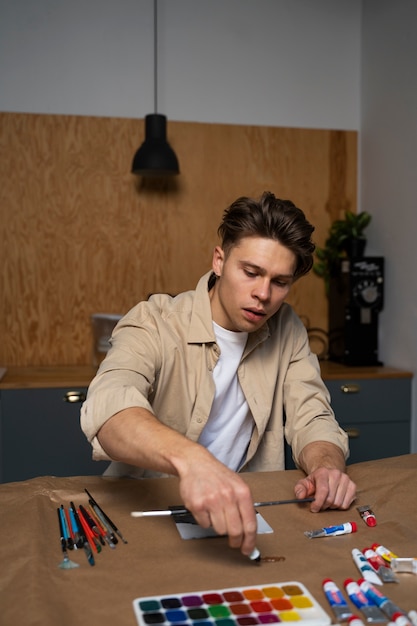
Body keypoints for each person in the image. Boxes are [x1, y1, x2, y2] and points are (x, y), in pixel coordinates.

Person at [81, 191, 356, 558]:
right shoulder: (154, 320)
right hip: (145, 519)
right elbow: (108, 408)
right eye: (251, 272)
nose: (263, 294)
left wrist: (326, 468)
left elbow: (313, 416)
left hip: (244, 518)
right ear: (219, 260)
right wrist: (194, 462)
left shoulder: (287, 327)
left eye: (280, 282)